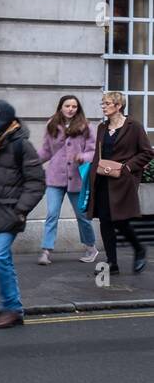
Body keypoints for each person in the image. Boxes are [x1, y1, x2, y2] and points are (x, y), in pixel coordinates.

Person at [0, 99, 47, 328]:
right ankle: (12, 308)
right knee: (3, 259)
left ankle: (12, 309)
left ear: (2, 118)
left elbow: (37, 182)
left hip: (10, 212)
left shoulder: (21, 145)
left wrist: (20, 210)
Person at [85, 91, 152, 276]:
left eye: (107, 103)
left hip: (122, 182)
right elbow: (99, 154)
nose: (103, 106)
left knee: (121, 220)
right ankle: (112, 263)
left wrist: (128, 168)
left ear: (118, 106)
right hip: (102, 180)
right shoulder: (102, 128)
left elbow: (147, 152)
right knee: (105, 221)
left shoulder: (134, 127)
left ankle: (139, 249)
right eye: (103, 103)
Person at [37, 94, 98, 265]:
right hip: (55, 177)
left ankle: (91, 247)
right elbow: (46, 151)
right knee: (52, 214)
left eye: (74, 106)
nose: (70, 109)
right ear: (60, 107)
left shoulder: (85, 126)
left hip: (77, 178)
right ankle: (46, 251)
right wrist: (31, 161)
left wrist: (83, 156)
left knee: (82, 216)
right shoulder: (52, 125)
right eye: (67, 106)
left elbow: (94, 152)